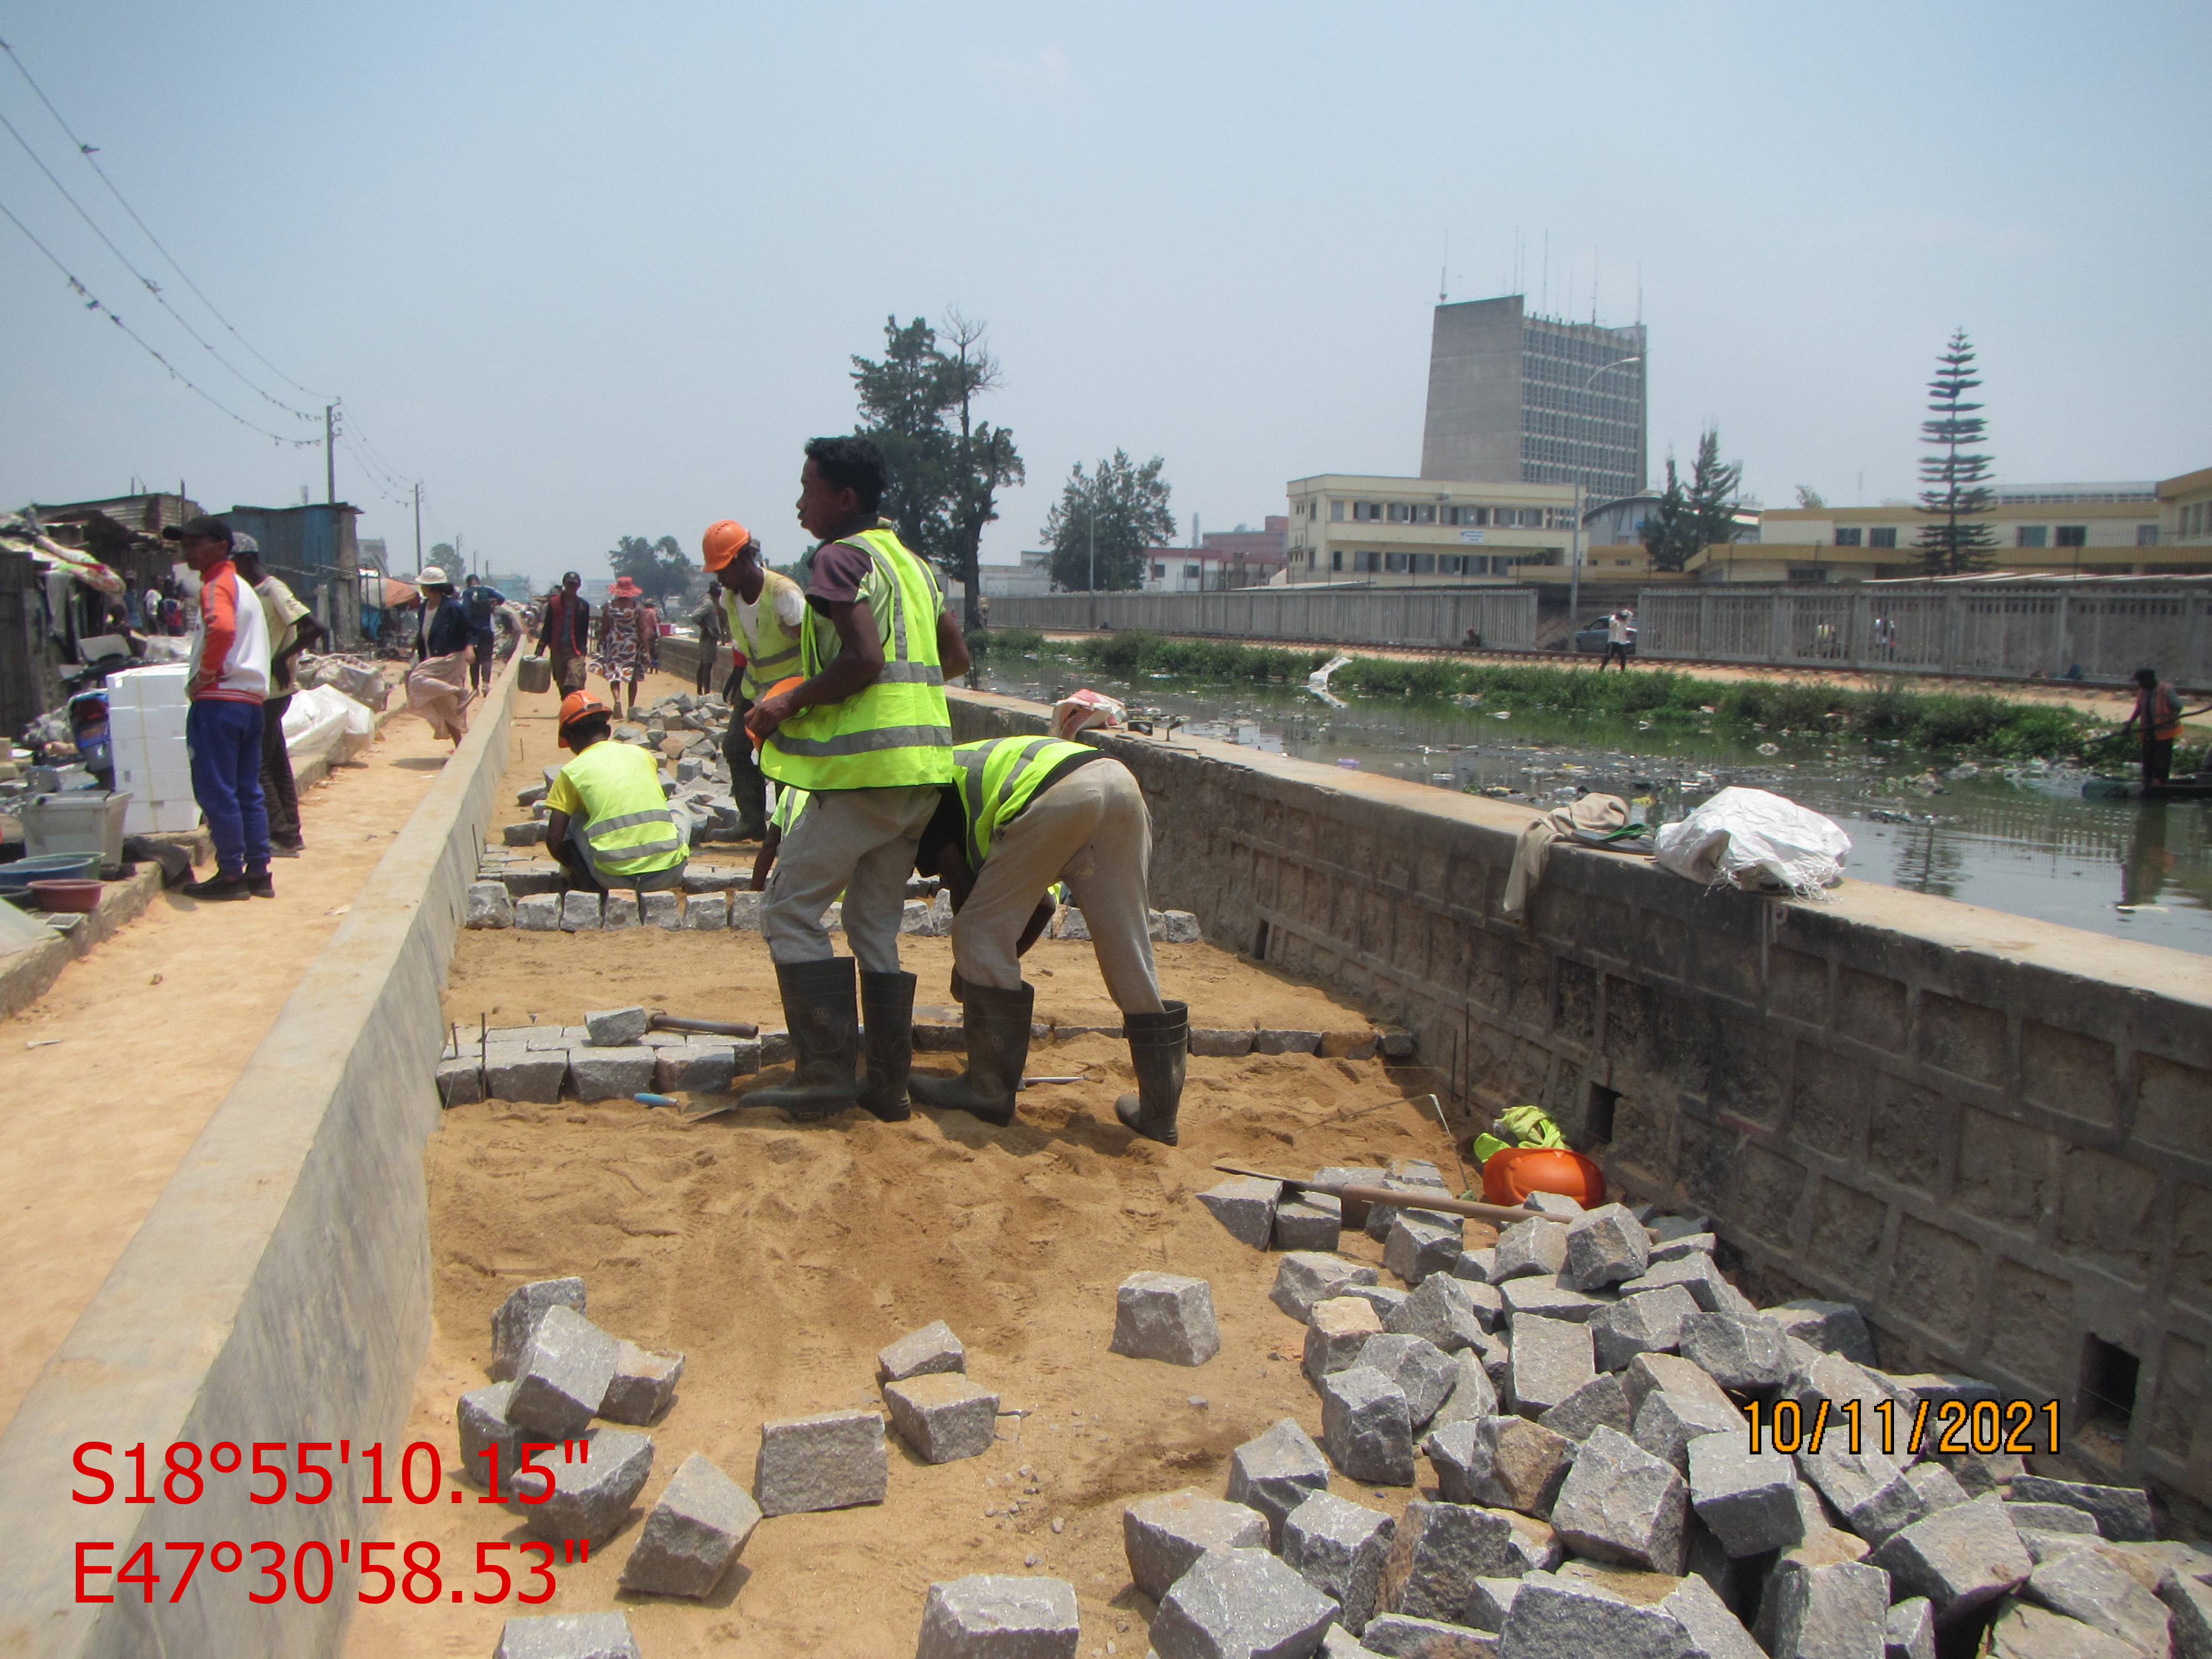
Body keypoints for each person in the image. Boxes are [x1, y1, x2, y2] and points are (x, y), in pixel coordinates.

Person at [742, 436, 970, 1122]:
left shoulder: (837, 557)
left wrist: (789, 700)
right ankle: (887, 1086)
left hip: (866, 774)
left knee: (789, 908)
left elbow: (865, 658)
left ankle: (823, 1076)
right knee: (874, 924)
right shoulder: (915, 567)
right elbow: (954, 656)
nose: (799, 501)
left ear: (844, 498)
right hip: (923, 774)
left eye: (808, 488)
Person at [909, 736, 1184, 1142]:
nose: (940, 881)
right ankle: (1159, 1114)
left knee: (975, 933)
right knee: (1130, 953)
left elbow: (970, 898)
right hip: (1118, 784)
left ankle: (987, 1089)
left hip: (1061, 795)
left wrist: (972, 970)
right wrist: (989, 968)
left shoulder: (923, 791)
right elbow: (1042, 908)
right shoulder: (985, 786)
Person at [160, 515, 273, 900]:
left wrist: (205, 674)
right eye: (184, 544)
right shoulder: (245, 588)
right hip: (250, 702)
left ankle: (229, 876)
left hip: (219, 701)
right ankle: (259, 872)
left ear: (221, 547)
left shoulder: (216, 585)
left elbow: (222, 630)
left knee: (216, 791)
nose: (187, 551)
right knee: (247, 790)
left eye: (195, 543)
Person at [702, 519, 806, 841]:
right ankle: (751, 822)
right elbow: (745, 641)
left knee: (782, 755)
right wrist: (736, 674)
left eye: (722, 568)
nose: (719, 577)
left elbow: (815, 643)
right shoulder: (729, 598)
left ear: (743, 560)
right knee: (736, 746)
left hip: (791, 688)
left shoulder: (783, 594)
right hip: (755, 685)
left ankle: (787, 828)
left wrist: (805, 694)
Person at [230, 536, 326, 857]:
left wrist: (279, 659)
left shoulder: (273, 590)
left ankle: (281, 834)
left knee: (258, 766)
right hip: (268, 688)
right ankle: (290, 832)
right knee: (275, 762)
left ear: (243, 560)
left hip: (271, 691)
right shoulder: (257, 593)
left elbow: (314, 627)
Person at [544, 691, 688, 895]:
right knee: (677, 807)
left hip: (611, 879)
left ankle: (578, 883)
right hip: (667, 876)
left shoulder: (571, 772)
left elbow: (554, 841)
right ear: (608, 730)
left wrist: (581, 865)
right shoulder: (642, 755)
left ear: (570, 737)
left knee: (576, 818)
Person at [408, 567, 476, 750]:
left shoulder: (453, 608)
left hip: (449, 658)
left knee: (416, 679)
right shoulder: (424, 608)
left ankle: (458, 692)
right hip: (431, 658)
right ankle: (459, 746)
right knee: (445, 706)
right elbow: (423, 632)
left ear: (432, 587)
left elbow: (469, 629)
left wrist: (470, 648)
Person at [595, 576, 653, 717]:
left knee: (615, 675)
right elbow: (641, 630)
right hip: (631, 645)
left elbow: (605, 628)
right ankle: (631, 707)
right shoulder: (637, 607)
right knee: (632, 676)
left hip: (614, 643)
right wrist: (647, 650)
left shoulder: (609, 606)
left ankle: (617, 700)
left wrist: (602, 643)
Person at [2120, 667, 2183, 788]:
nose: (2140, 684)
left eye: (2141, 681)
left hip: (2165, 731)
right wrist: (2130, 724)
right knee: (2148, 756)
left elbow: (2178, 706)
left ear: (2149, 680)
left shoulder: (2166, 690)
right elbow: (2139, 709)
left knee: (2162, 758)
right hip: (2148, 730)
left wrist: (2173, 717)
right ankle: (2147, 780)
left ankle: (2160, 782)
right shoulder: (2143, 691)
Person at [537, 571, 592, 693]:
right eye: (569, 584)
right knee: (560, 680)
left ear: (579, 586)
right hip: (558, 648)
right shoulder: (554, 604)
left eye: (574, 584)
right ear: (564, 585)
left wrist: (583, 650)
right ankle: (567, 704)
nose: (572, 587)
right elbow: (548, 626)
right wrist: (541, 646)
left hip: (575, 649)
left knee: (574, 678)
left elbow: (584, 629)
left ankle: (573, 705)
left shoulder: (583, 606)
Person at [462, 573, 508, 692]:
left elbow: (465, 609)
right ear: (479, 581)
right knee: (487, 658)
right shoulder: (487, 590)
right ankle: (486, 685)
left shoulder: (467, 593)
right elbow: (502, 598)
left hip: (473, 631)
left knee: (474, 661)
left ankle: (475, 687)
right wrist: (493, 603)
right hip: (487, 629)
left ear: (468, 583)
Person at [690, 588, 726, 695]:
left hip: (706, 636)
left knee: (703, 664)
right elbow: (695, 616)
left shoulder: (704, 599)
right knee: (707, 665)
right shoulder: (709, 604)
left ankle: (700, 691)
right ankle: (706, 692)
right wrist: (706, 627)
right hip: (709, 637)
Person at [1601, 608, 1632, 672]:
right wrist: (1615, 614)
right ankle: (1601, 669)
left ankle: (1623, 670)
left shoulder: (1625, 623)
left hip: (1622, 643)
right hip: (1613, 642)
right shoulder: (1614, 622)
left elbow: (1631, 614)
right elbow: (1612, 620)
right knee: (1608, 656)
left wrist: (1625, 611)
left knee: (1623, 657)